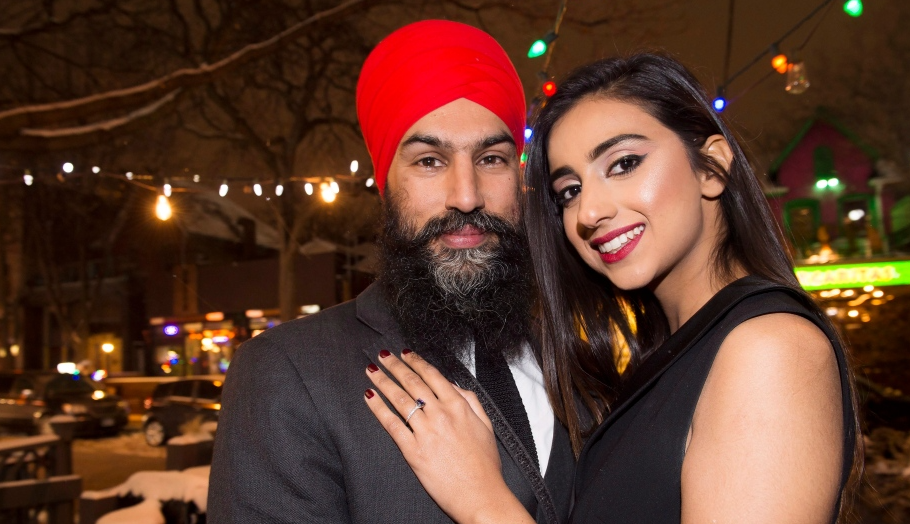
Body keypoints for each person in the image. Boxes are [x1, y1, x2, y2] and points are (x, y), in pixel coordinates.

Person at [364, 53, 861, 523]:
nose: (590, 211)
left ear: (711, 167)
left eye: (624, 164)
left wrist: (484, 503)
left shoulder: (768, 349)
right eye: (569, 191)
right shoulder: (677, 353)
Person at [208, 20, 576, 524]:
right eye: (429, 161)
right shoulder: (286, 374)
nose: (466, 196)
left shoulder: (575, 356)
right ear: (385, 183)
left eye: (491, 158)